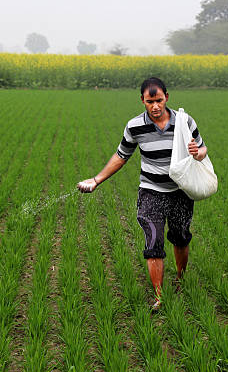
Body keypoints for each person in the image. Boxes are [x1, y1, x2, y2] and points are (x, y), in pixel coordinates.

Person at [77, 77, 207, 311]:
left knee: (180, 237)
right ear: (142, 101)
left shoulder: (184, 121)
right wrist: (96, 179)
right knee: (153, 240)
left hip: (180, 191)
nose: (155, 106)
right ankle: (159, 296)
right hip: (151, 192)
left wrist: (197, 153)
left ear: (167, 97)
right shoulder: (135, 126)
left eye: (158, 100)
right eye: (150, 101)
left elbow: (202, 147)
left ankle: (180, 278)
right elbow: (121, 156)